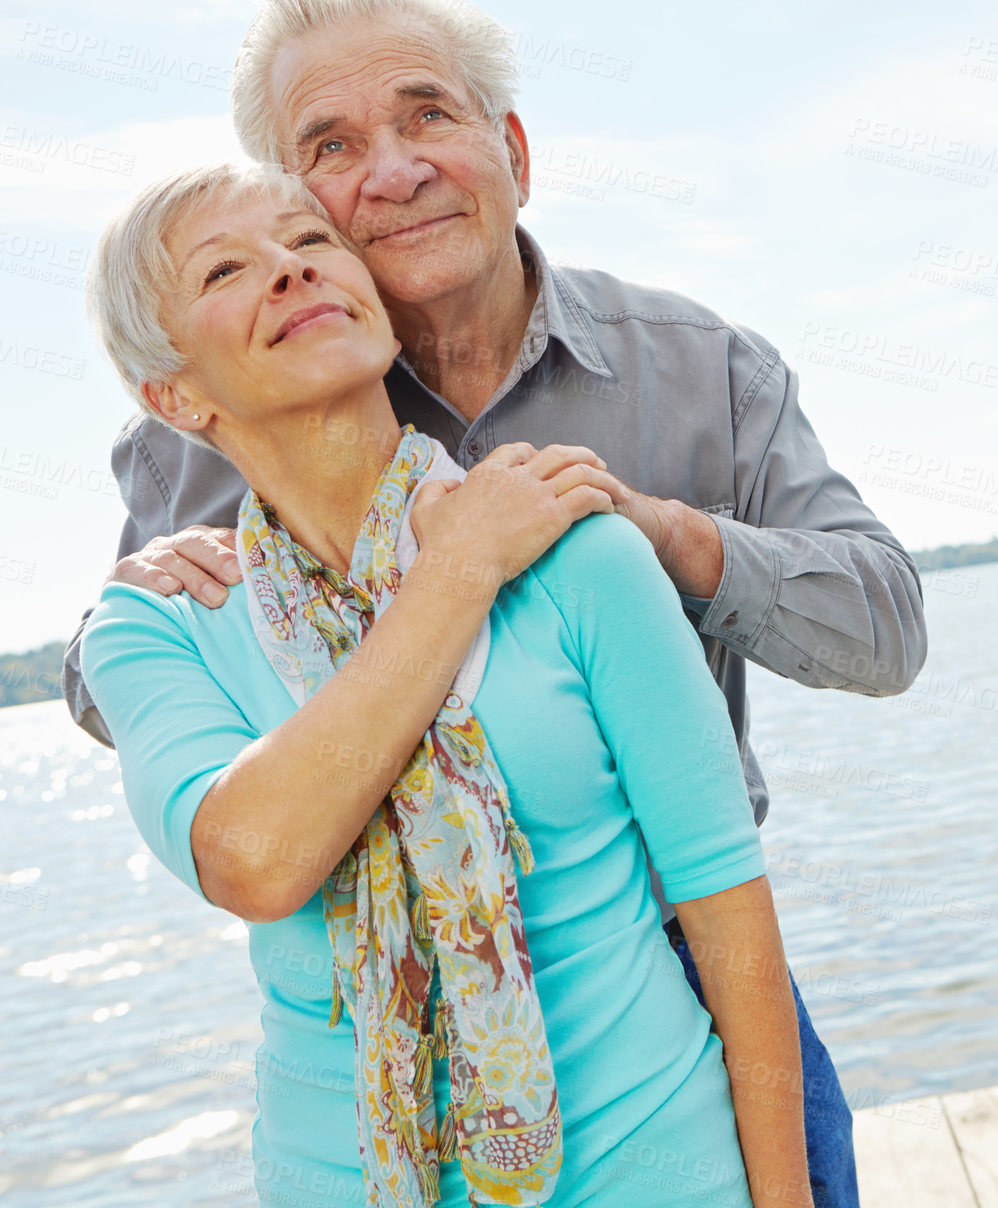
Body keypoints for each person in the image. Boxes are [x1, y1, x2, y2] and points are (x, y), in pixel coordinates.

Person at [59, 2, 926, 1203]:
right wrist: (133, 602)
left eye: (428, 115)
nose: (396, 170)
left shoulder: (699, 368)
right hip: (363, 1020)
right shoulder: (225, 410)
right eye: (332, 148)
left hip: (672, 958)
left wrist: (658, 532)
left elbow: (885, 633)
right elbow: (149, 715)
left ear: (513, 152)